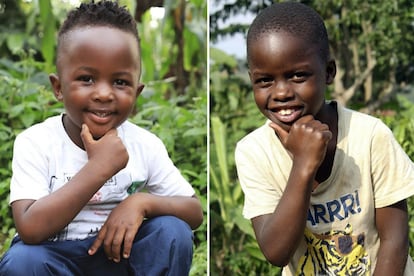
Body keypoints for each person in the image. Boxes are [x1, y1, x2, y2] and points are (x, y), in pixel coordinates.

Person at [0, 1, 203, 275]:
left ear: (137, 93)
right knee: (22, 261)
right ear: (58, 87)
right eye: (86, 79)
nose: (104, 94)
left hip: (120, 256)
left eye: (120, 82)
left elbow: (193, 211)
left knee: (172, 232)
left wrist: (141, 202)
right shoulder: (36, 142)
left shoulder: (145, 144)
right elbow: (30, 228)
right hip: (57, 261)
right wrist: (99, 167)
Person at [235, 2, 414, 275]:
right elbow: (276, 252)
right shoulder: (253, 152)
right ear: (251, 80)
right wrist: (304, 164)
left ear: (329, 72)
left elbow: (395, 240)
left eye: (297, 76)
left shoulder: (370, 137)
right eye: (265, 81)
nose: (281, 92)